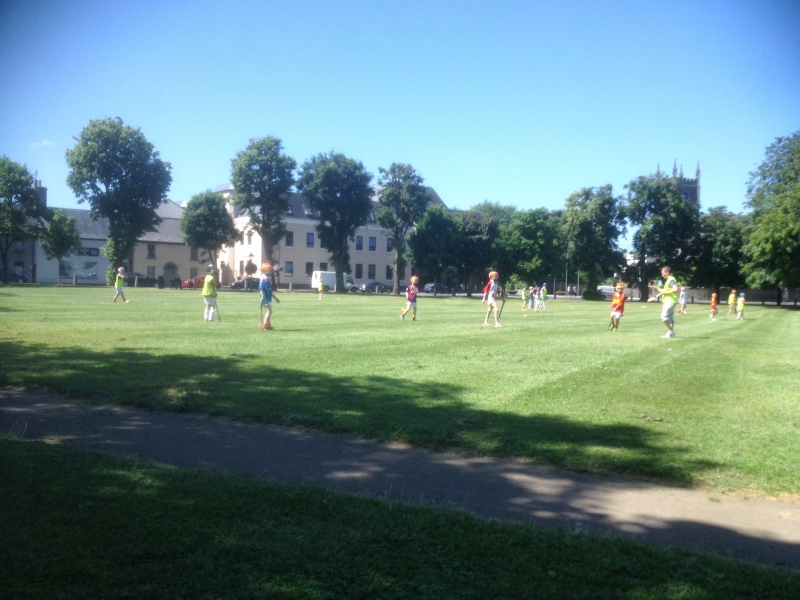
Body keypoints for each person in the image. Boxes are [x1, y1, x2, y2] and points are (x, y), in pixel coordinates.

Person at [649, 266, 678, 338]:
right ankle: (670, 333)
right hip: (671, 301)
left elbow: (675, 289)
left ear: (667, 272)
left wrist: (667, 293)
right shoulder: (669, 280)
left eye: (663, 273)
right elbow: (664, 291)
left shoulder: (671, 280)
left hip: (670, 301)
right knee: (670, 318)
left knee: (664, 316)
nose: (662, 275)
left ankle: (671, 331)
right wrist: (656, 288)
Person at [259, 263, 280, 330]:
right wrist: (262, 296)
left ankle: (268, 325)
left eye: (269, 269)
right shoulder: (263, 278)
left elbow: (270, 290)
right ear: (264, 270)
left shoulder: (266, 278)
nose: (269, 271)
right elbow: (261, 288)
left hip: (268, 297)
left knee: (269, 311)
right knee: (269, 311)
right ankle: (265, 326)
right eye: (268, 269)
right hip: (265, 297)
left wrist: (275, 298)